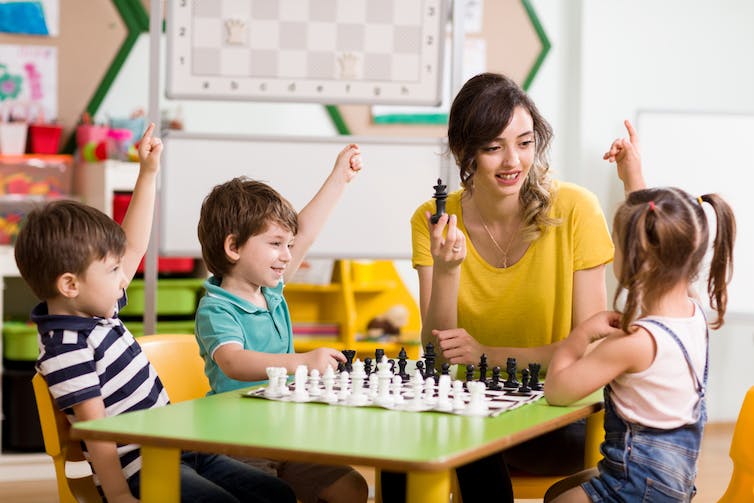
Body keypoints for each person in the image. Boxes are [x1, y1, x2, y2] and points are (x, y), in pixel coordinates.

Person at [14, 124, 296, 503]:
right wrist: (116, 494)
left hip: (181, 449)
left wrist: (147, 173)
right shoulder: (66, 348)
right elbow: (96, 429)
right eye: (114, 270)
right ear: (70, 285)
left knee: (274, 493)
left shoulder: (97, 309)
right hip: (142, 469)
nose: (123, 276)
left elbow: (132, 246)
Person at [387, 72, 616, 501]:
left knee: (471, 444)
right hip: (468, 409)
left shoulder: (577, 210)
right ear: (465, 152)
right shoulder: (433, 220)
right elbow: (436, 355)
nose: (513, 161)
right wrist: (448, 269)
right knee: (400, 456)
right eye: (494, 147)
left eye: (525, 143)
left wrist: (486, 355)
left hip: (555, 414)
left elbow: (586, 350)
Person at [542, 123, 736, 502]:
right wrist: (633, 175)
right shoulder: (692, 312)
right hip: (672, 485)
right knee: (556, 493)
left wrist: (581, 335)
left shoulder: (633, 343)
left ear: (633, 261)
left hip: (633, 489)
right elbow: (656, 237)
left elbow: (557, 391)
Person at [194, 145, 369, 503]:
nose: (288, 255)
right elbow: (233, 361)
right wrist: (302, 362)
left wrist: (339, 179)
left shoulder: (270, 292)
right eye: (275, 244)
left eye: (287, 244)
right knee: (272, 496)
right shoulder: (216, 309)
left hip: (284, 436)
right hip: (239, 443)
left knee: (352, 488)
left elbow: (306, 233)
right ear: (234, 247)